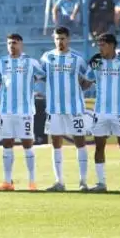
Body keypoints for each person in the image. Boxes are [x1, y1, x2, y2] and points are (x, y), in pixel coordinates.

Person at [40, 27, 92, 192]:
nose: (59, 42)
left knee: (80, 142)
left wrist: (81, 87)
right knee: (56, 144)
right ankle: (59, 182)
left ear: (68, 39)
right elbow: (40, 76)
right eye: (57, 39)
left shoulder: (77, 58)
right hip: (54, 109)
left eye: (62, 38)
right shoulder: (47, 58)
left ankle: (83, 182)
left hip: (74, 108)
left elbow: (88, 78)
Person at [86, 34, 120, 192]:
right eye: (99, 45)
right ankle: (101, 183)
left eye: (103, 45)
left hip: (119, 112)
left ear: (112, 45)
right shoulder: (96, 63)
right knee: (99, 147)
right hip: (100, 113)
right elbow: (86, 82)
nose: (100, 48)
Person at [0, 34, 43, 191]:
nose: (11, 46)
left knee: (27, 144)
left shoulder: (30, 62)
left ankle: (32, 181)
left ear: (21, 44)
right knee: (7, 145)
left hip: (25, 111)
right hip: (6, 111)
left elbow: (43, 76)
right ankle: (8, 182)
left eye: (14, 43)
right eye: (9, 43)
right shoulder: (1, 62)